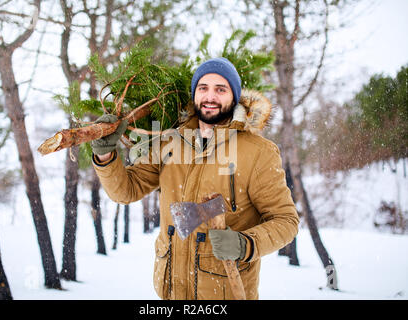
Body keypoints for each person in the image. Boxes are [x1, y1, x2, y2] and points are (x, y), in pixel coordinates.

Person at [91, 57, 299, 300]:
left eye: (220, 89)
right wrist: (105, 156)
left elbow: (286, 220)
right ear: (194, 94)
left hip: (224, 293)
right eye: (203, 88)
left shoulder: (258, 152)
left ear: (234, 96)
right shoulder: (169, 141)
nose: (210, 97)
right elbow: (125, 191)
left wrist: (246, 244)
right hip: (170, 291)